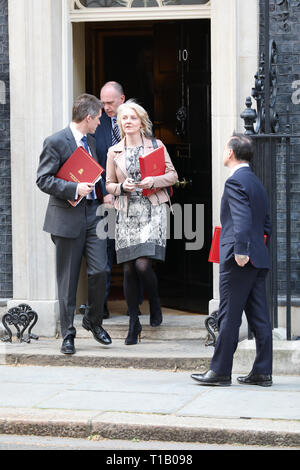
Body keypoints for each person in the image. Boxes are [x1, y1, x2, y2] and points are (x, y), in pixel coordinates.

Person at [191, 133, 273, 387]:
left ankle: (219, 371)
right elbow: (266, 224)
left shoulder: (235, 182)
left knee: (228, 315)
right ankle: (262, 372)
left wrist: (241, 251)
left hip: (240, 260)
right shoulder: (256, 182)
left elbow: (241, 219)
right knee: (260, 317)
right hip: (257, 258)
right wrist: (254, 249)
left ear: (230, 153)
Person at [36, 93, 112, 355]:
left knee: (100, 270)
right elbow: (43, 180)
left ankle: (93, 320)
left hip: (94, 214)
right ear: (88, 118)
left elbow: (93, 173)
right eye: (98, 119)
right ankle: (68, 333)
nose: (100, 124)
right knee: (67, 280)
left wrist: (105, 193)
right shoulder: (55, 141)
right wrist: (73, 188)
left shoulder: (90, 140)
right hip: (66, 217)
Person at [106, 99, 178, 345]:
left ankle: (155, 301)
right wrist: (120, 187)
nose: (128, 122)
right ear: (120, 123)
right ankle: (133, 322)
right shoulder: (114, 151)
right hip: (127, 211)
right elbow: (108, 185)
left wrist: (153, 182)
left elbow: (173, 175)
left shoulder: (157, 146)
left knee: (143, 266)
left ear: (141, 122)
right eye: (124, 118)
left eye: (133, 118)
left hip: (152, 209)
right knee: (128, 267)